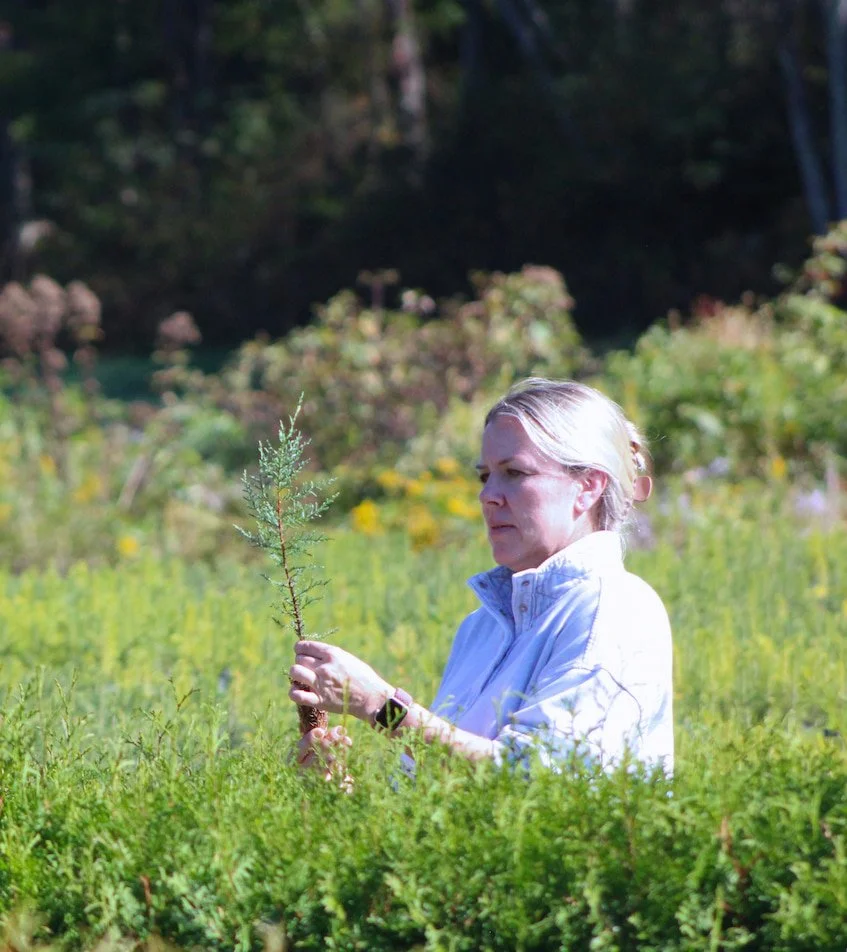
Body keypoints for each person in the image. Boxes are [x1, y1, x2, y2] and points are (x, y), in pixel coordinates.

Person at [289, 377, 673, 778]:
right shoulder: (482, 629)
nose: (488, 495)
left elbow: (541, 782)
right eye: (484, 476)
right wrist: (335, 789)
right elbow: (440, 798)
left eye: (515, 473)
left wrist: (381, 707)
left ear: (588, 486)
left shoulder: (612, 610)